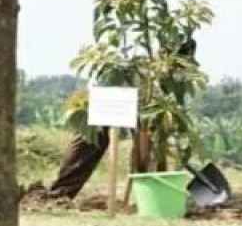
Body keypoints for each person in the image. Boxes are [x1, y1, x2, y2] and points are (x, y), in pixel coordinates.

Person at [46, 38, 198, 199]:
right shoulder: (145, 66)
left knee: (99, 147)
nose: (179, 68)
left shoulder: (161, 70)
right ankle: (59, 194)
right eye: (179, 62)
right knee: (88, 148)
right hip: (107, 102)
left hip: (125, 105)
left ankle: (151, 198)